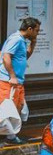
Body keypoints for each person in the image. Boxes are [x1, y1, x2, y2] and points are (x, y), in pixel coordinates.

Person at [0, 17, 40, 145]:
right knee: (7, 110)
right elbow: (6, 56)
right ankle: (10, 137)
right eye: (36, 31)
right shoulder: (16, 39)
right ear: (30, 29)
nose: (37, 33)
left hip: (17, 82)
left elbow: (24, 57)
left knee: (17, 108)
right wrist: (12, 76)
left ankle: (10, 136)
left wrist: (33, 44)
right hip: (9, 81)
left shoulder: (22, 40)